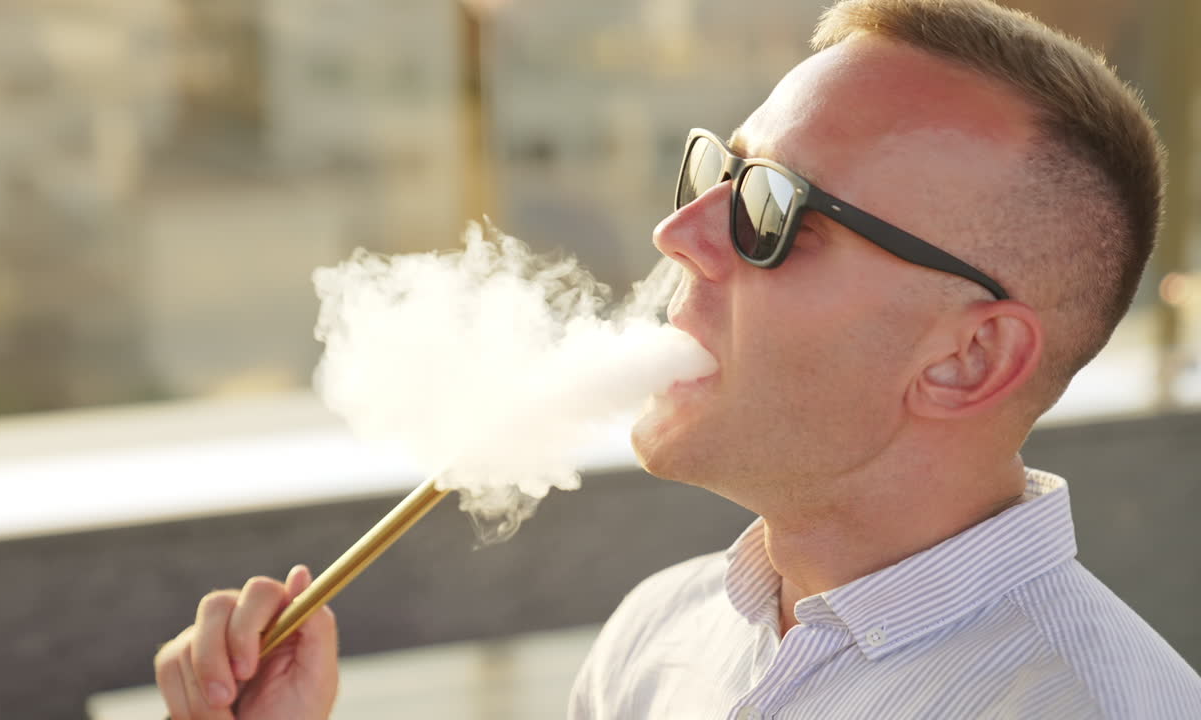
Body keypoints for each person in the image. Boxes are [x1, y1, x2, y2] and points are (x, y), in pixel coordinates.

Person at [154, 0, 1201, 717]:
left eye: (770, 212)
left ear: (966, 361)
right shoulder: (663, 633)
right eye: (716, 169)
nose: (678, 234)